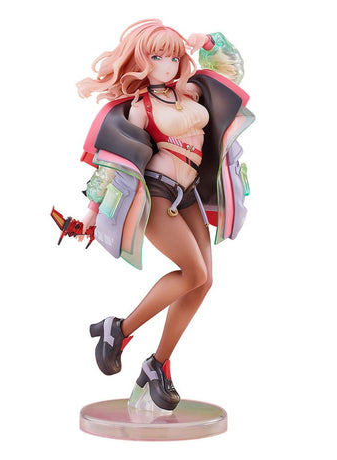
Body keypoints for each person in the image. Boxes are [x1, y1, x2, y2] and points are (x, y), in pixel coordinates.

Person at [75, 19, 254, 411]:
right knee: (194, 273)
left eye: (173, 57)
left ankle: (157, 365)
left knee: (203, 282)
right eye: (157, 57)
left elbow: (231, 73)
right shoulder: (141, 107)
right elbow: (115, 160)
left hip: (187, 195)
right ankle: (119, 329)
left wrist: (211, 42)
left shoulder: (188, 91)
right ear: (143, 61)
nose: (168, 64)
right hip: (157, 193)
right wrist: (91, 210)